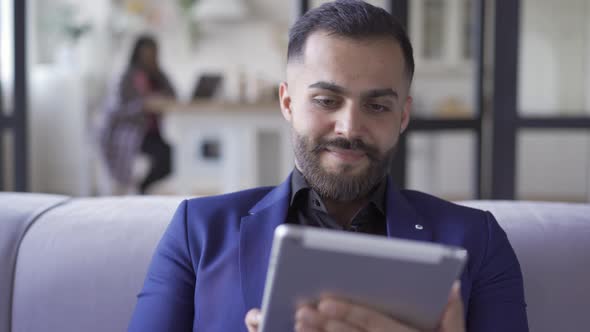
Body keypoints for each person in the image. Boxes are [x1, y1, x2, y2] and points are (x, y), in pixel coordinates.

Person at [128, 1, 528, 331]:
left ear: (402, 115)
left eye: (377, 105)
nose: (350, 127)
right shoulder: (197, 233)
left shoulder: (479, 241)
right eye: (326, 100)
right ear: (287, 102)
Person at [100, 35, 176, 195]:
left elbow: (173, 95)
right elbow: (118, 110)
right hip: (132, 133)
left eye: (153, 53)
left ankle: (143, 187)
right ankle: (141, 189)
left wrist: (158, 91)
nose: (150, 57)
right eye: (146, 53)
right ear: (137, 53)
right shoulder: (126, 77)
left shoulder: (158, 75)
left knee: (174, 157)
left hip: (153, 134)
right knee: (165, 155)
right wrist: (143, 105)